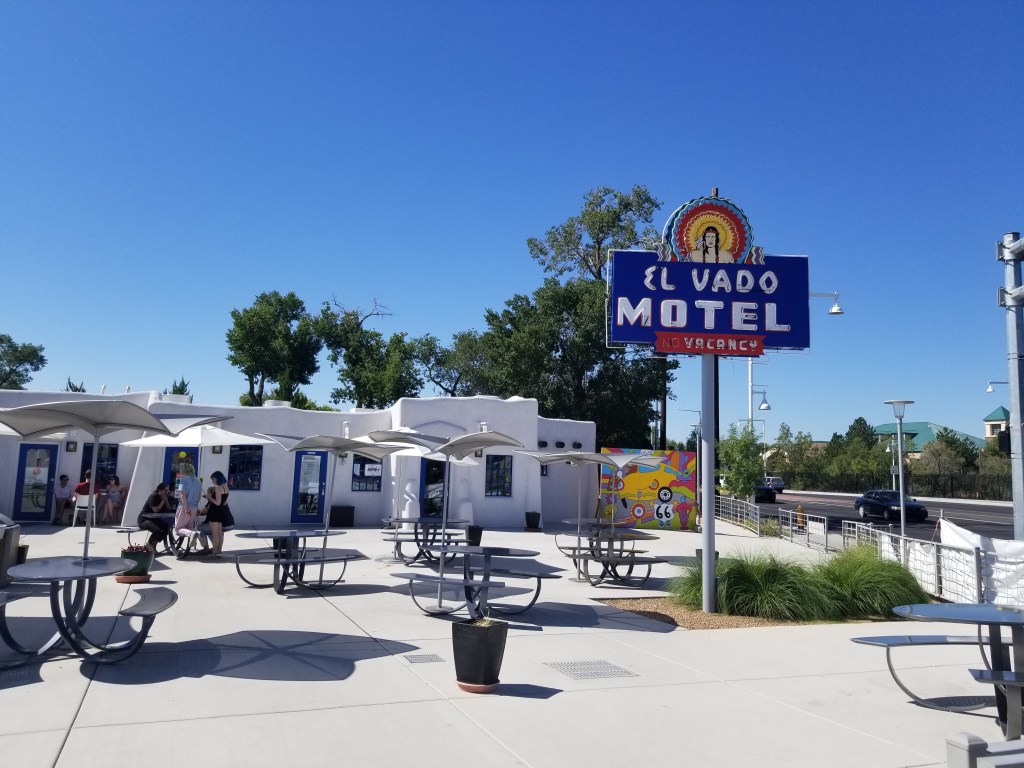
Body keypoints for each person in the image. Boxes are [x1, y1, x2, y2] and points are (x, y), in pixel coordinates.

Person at [173, 462, 209, 554]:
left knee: (178, 528)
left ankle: (192, 534)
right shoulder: (198, 481)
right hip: (194, 507)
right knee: (190, 526)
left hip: (184, 507)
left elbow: (182, 494)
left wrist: (186, 508)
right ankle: (198, 533)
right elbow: (198, 496)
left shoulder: (182, 480)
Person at [202, 470, 233, 557]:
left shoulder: (219, 488)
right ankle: (219, 551)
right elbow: (223, 501)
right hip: (220, 512)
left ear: (217, 478)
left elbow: (217, 502)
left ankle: (214, 552)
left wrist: (209, 497)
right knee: (220, 533)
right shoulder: (225, 487)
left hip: (215, 512)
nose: (212, 481)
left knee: (215, 534)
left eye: (213, 479)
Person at [137, 483, 172, 552]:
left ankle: (154, 544)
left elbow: (168, 508)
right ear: (160, 490)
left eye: (167, 491)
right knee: (157, 530)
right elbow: (155, 510)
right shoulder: (153, 496)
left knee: (166, 528)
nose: (166, 492)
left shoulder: (163, 497)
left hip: (154, 520)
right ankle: (148, 544)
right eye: (165, 491)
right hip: (144, 519)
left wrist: (166, 500)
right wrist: (163, 501)